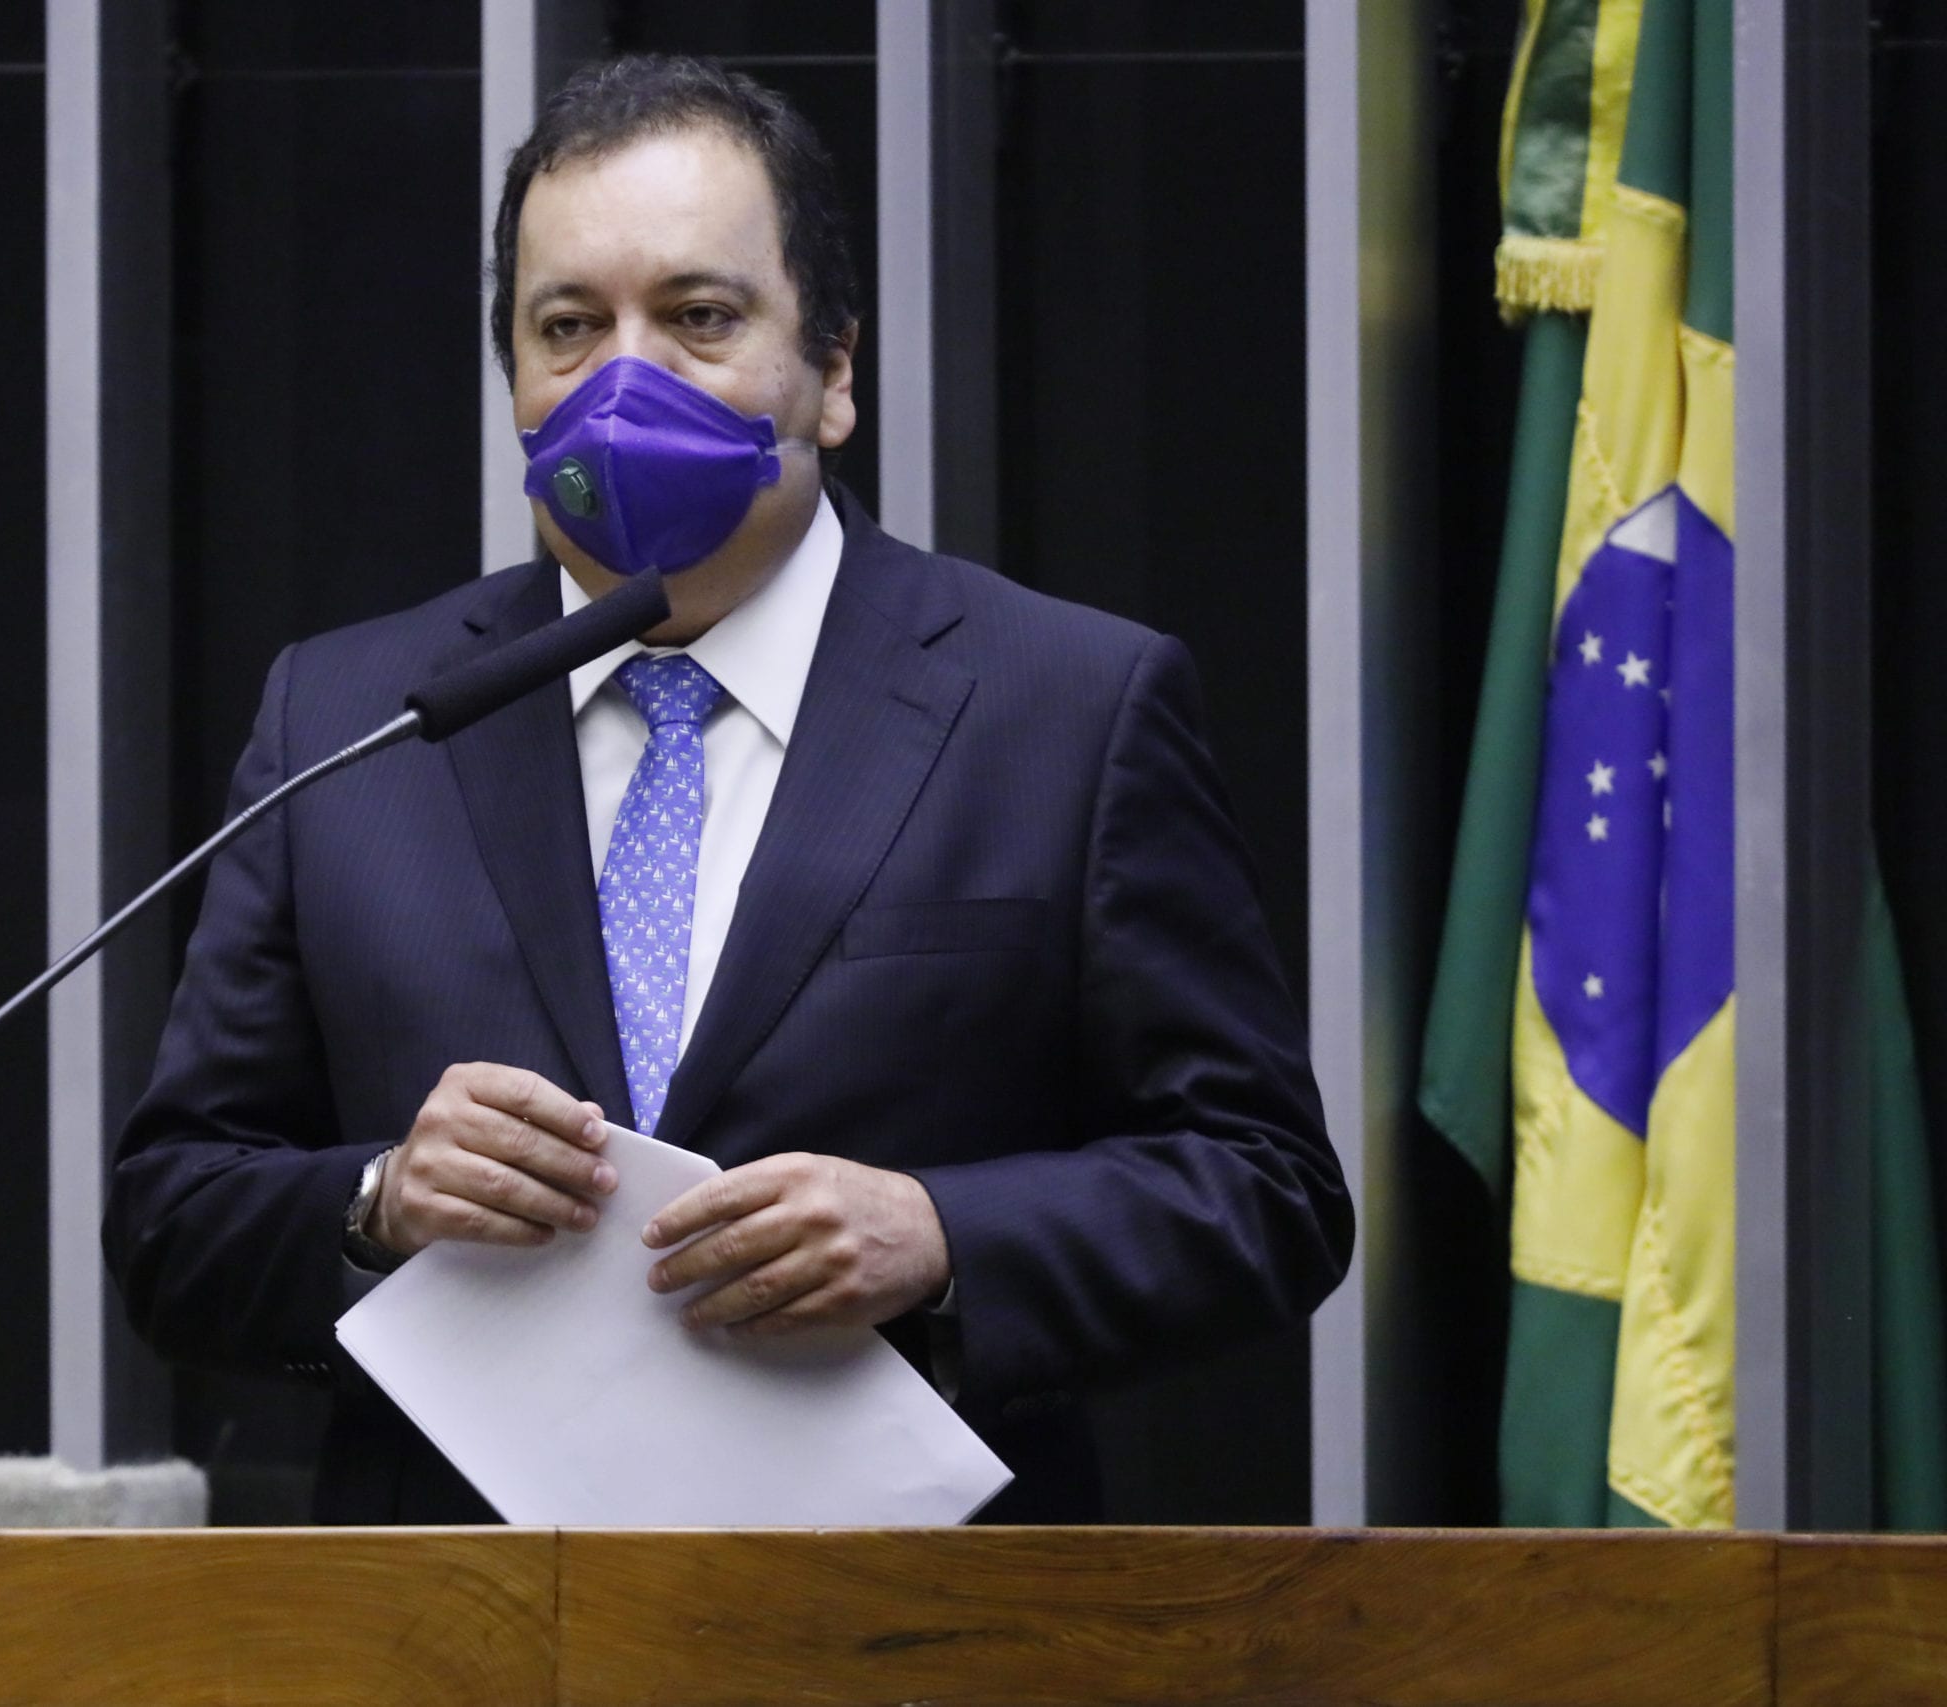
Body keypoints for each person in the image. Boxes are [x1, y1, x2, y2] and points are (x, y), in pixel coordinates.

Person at [104, 54, 1352, 1524]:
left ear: (831, 374)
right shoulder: (353, 717)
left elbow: (1267, 1190)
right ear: (513, 378)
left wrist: (947, 1235)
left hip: (914, 1637)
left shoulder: (1066, 706)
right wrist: (378, 1201)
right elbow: (175, 1215)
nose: (625, 381)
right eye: (568, 327)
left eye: (699, 319)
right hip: (460, 1634)